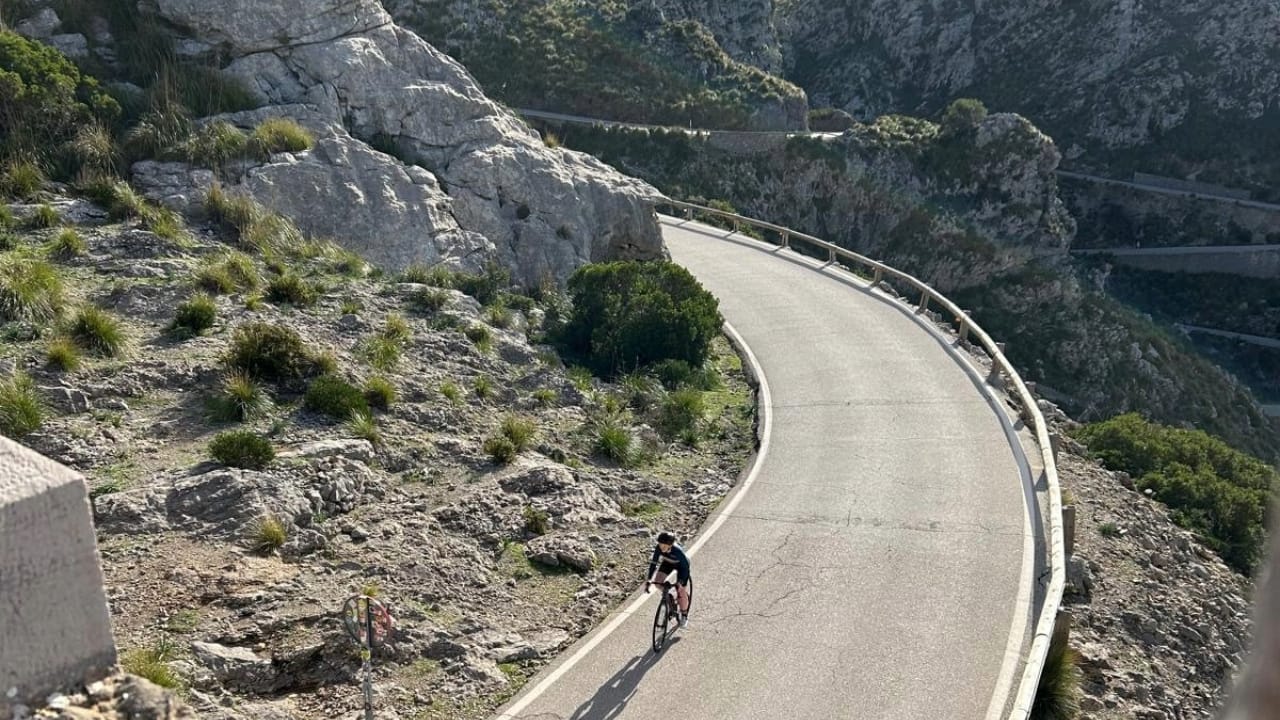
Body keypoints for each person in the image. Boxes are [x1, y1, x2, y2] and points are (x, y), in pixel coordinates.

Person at [645, 531, 691, 627]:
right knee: (658, 583)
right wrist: (649, 580)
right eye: (660, 544)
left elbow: (686, 569)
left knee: (681, 590)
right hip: (667, 563)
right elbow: (653, 564)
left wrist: (680, 582)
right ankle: (669, 595)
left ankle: (684, 615)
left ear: (670, 545)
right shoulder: (658, 548)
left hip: (682, 566)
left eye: (664, 545)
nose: (661, 547)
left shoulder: (677, 551)